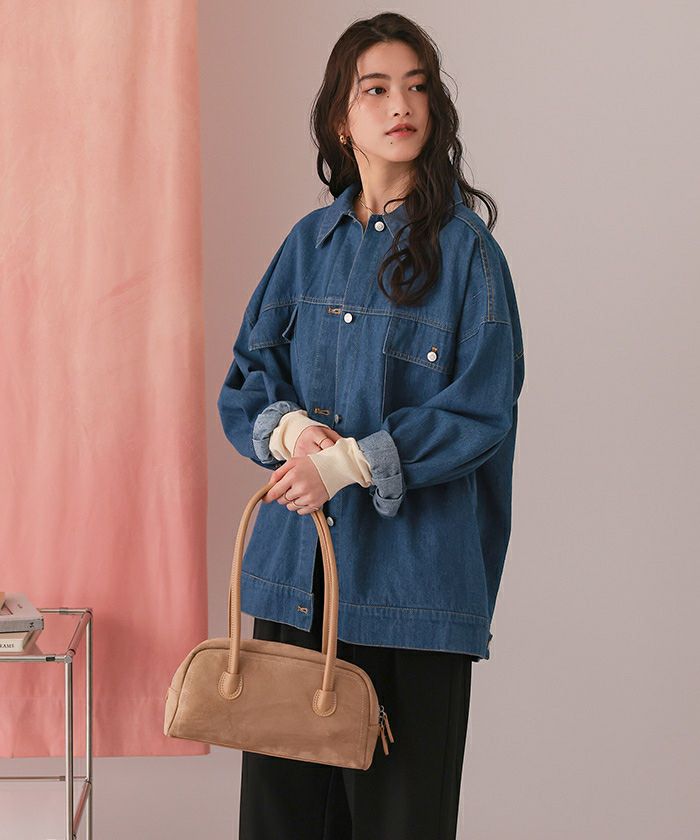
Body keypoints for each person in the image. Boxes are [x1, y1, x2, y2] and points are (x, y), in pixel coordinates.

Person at [217, 11, 525, 840]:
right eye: (377, 89)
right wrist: (289, 433)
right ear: (339, 120)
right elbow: (247, 380)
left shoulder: (468, 256)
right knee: (283, 824)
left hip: (412, 598)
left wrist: (351, 462)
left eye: (417, 88)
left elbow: (482, 409)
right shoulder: (306, 246)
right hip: (297, 589)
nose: (402, 105)